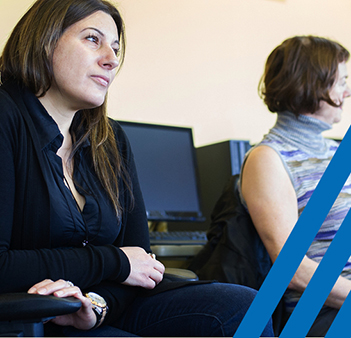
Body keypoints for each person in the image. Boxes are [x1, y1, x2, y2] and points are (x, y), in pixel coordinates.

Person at [0, 0, 274, 336]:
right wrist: (114, 262)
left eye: (115, 48)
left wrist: (97, 306)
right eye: (92, 39)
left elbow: (140, 262)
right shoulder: (6, 117)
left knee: (244, 306)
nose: (111, 59)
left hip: (99, 306)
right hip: (30, 315)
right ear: (44, 40)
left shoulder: (110, 139)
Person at [239, 35, 351, 336]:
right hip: (323, 312)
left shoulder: (336, 152)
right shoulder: (268, 159)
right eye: (341, 81)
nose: (348, 91)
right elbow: (294, 270)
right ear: (311, 85)